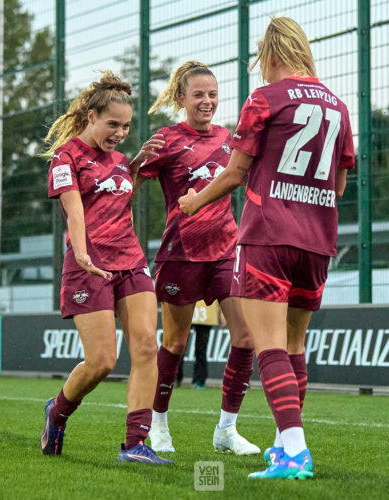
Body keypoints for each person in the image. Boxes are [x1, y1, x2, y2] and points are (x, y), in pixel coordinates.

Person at [179, 17, 355, 479]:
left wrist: (194, 201)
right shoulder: (338, 106)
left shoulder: (265, 99)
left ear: (270, 54)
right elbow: (338, 184)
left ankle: (295, 452)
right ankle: (282, 447)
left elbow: (235, 173)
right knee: (295, 346)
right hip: (318, 241)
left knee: (270, 347)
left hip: (268, 236)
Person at [39, 71, 172, 465]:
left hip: (131, 261)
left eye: (126, 126)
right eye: (112, 124)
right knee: (102, 362)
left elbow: (113, 195)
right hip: (88, 266)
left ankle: (135, 444)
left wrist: (133, 166)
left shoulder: (117, 160)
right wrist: (81, 254)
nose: (120, 132)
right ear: (90, 116)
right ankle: (57, 412)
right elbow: (76, 210)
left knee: (148, 348)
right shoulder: (67, 157)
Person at [134, 60, 259, 455]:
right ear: (182, 98)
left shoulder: (229, 137)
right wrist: (137, 160)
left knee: (246, 336)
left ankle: (226, 429)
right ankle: (158, 425)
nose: (207, 102)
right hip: (180, 254)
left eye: (213, 94)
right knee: (175, 342)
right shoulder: (166, 139)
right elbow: (128, 184)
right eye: (199, 95)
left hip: (226, 249)